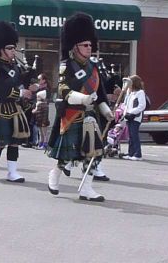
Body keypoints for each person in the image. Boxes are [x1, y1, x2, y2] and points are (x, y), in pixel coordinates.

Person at [47, 13, 114, 202]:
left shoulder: (94, 68)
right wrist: (83, 98)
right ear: (74, 46)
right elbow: (63, 91)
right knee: (67, 156)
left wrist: (106, 111)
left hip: (91, 117)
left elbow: (99, 94)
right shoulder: (66, 67)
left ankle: (86, 188)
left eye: (90, 44)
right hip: (72, 115)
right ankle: (54, 174)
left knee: (94, 155)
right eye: (85, 45)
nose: (89, 48)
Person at [0, 21, 34, 183]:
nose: (13, 51)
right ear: (1, 50)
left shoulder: (15, 66)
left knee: (15, 141)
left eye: (13, 48)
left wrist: (32, 86)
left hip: (16, 108)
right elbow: (0, 91)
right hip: (1, 108)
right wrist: (21, 92)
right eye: (10, 48)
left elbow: (19, 82)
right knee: (2, 141)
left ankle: (12, 172)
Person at [121, 75, 147, 161]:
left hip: (135, 117)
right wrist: (125, 114)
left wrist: (132, 112)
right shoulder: (130, 93)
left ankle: (137, 154)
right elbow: (126, 104)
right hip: (128, 116)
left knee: (134, 135)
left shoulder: (140, 93)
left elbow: (142, 106)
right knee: (131, 136)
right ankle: (131, 153)